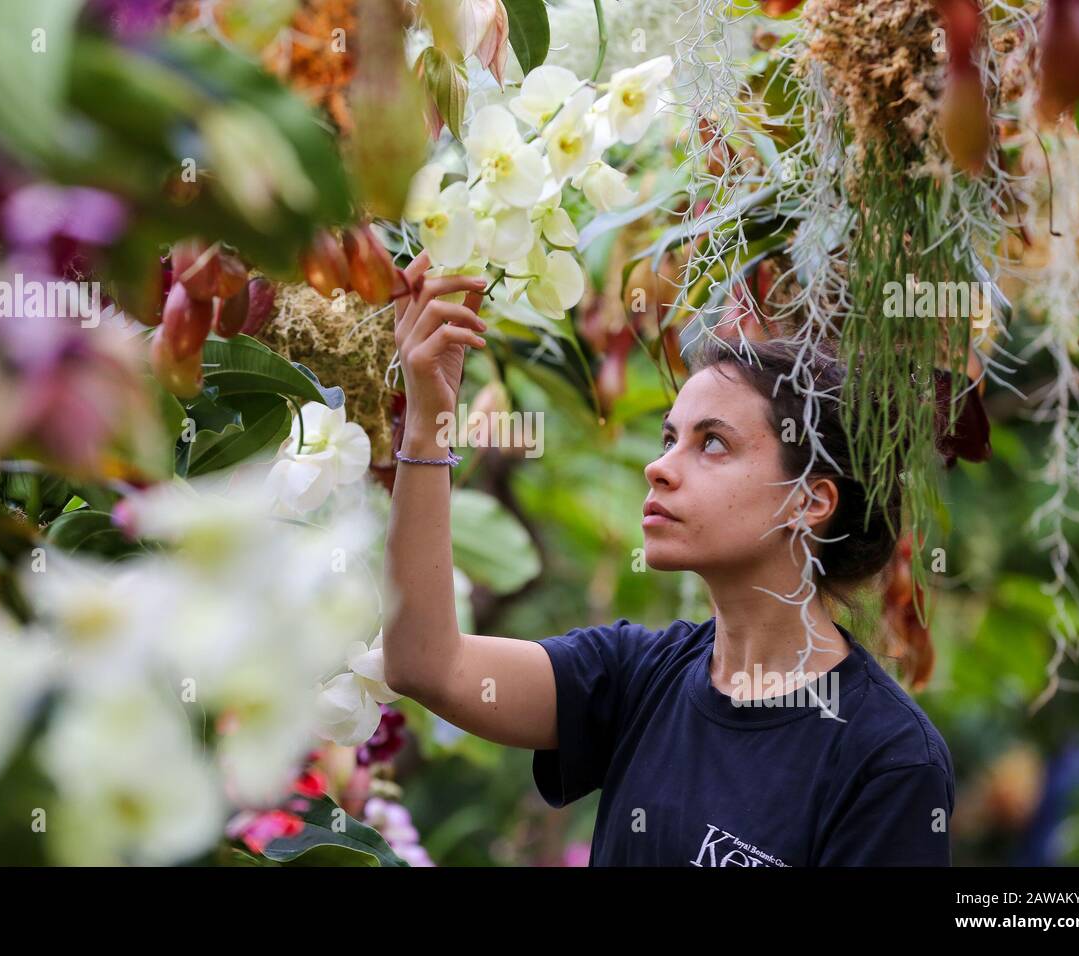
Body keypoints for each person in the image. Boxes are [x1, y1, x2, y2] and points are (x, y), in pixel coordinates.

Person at [381, 251, 955, 866]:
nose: (659, 467)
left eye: (712, 443)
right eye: (667, 438)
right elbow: (427, 666)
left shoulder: (888, 757)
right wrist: (426, 425)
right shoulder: (636, 676)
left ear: (810, 501)